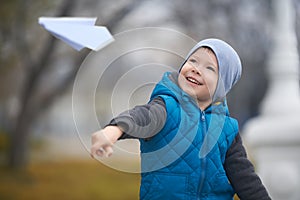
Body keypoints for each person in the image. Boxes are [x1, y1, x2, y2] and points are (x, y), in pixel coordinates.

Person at [90, 38, 271, 200]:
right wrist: (113, 130)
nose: (195, 69)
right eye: (193, 61)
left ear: (222, 86)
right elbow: (141, 117)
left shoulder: (227, 129)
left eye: (209, 68)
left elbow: (246, 179)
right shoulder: (166, 108)